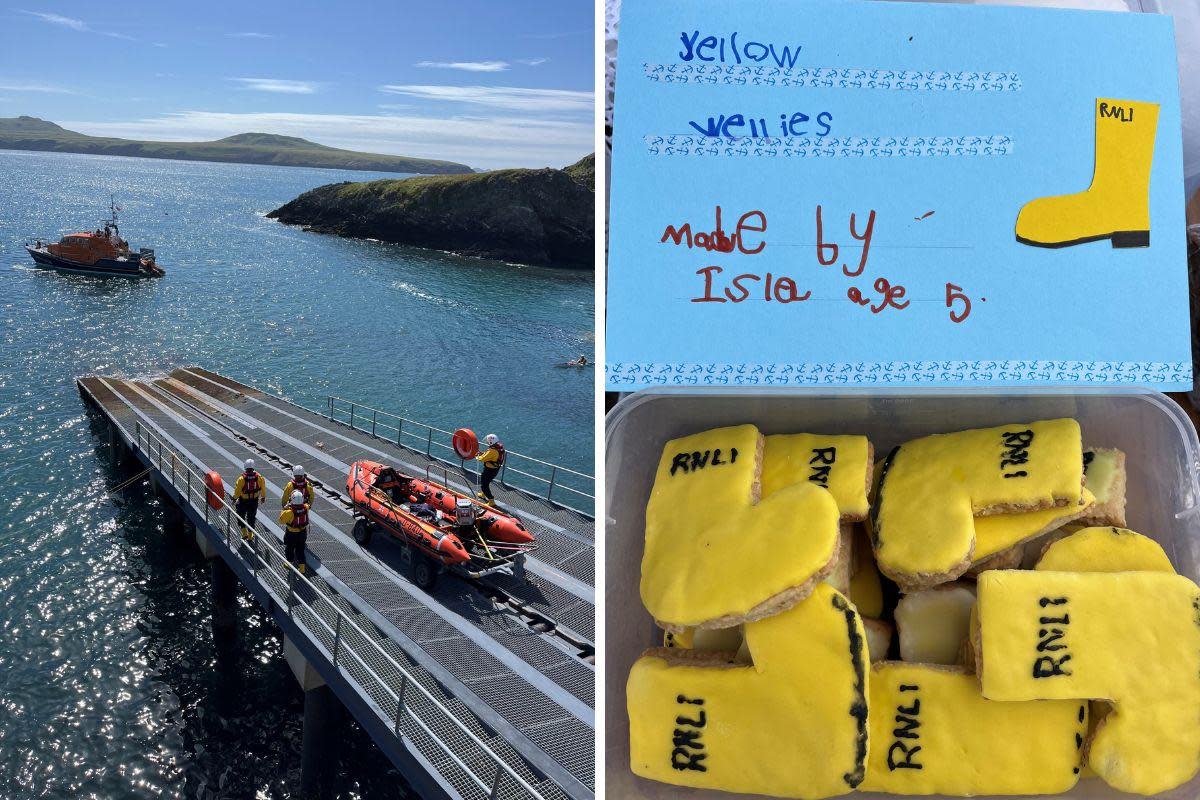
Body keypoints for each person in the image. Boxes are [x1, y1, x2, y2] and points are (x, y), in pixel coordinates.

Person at [232, 458, 266, 541]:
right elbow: (263, 488)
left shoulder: (241, 479)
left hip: (243, 501)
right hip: (254, 500)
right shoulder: (260, 477)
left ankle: (244, 533)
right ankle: (251, 536)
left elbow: (237, 491)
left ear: (245, 467)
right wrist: (263, 497)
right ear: (253, 467)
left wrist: (234, 499)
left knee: (240, 516)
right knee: (251, 518)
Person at [278, 490, 310, 574]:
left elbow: (281, 520)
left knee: (289, 548)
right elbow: (307, 505)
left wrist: (284, 508)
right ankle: (302, 568)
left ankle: (289, 564)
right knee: (300, 549)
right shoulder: (306, 508)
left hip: (291, 533)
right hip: (303, 532)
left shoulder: (289, 512)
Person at [475, 433, 506, 505]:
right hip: (494, 469)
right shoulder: (498, 448)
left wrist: (476, 456)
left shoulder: (492, 450)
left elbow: (482, 459)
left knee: (484, 485)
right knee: (487, 482)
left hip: (489, 470)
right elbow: (490, 456)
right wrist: (482, 453)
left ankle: (491, 501)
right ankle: (483, 494)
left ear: (491, 442)